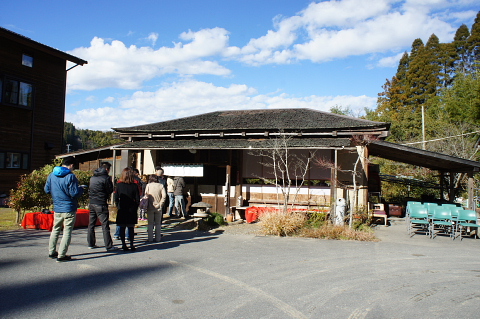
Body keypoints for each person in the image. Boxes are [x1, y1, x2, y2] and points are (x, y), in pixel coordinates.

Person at [44, 156, 85, 262]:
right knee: (67, 232)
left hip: (57, 207)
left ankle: (51, 251)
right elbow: (74, 193)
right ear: (71, 165)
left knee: (55, 229)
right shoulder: (71, 176)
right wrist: (81, 189)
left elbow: (47, 189)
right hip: (69, 207)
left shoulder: (51, 175)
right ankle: (61, 255)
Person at [87, 162, 116, 251]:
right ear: (107, 169)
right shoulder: (106, 178)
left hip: (92, 202)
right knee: (105, 225)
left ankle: (91, 243)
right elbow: (110, 190)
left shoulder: (93, 178)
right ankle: (108, 245)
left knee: (91, 224)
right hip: (101, 203)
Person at [115, 167, 140, 251]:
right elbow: (137, 199)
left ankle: (123, 244)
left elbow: (116, 197)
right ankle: (132, 244)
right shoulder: (134, 185)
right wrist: (135, 207)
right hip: (131, 208)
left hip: (122, 208)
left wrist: (118, 206)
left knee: (122, 227)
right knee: (131, 227)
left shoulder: (119, 185)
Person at [145, 174, 166, 242]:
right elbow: (164, 196)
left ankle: (150, 238)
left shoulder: (148, 185)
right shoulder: (161, 186)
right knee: (158, 223)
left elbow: (146, 195)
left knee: (150, 223)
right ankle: (158, 238)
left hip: (150, 206)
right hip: (158, 207)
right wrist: (160, 204)